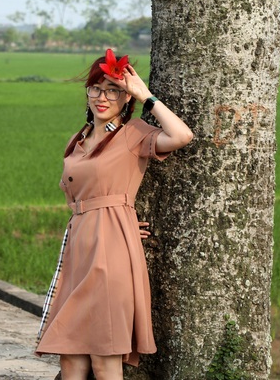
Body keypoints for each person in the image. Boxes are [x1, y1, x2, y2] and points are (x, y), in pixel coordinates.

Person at [35, 51, 193, 380]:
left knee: (104, 357)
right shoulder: (77, 140)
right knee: (70, 353)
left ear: (125, 98)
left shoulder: (132, 133)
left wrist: (145, 95)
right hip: (79, 251)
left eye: (113, 90)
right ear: (87, 92)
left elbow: (181, 136)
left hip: (110, 256)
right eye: (96, 88)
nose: (102, 97)